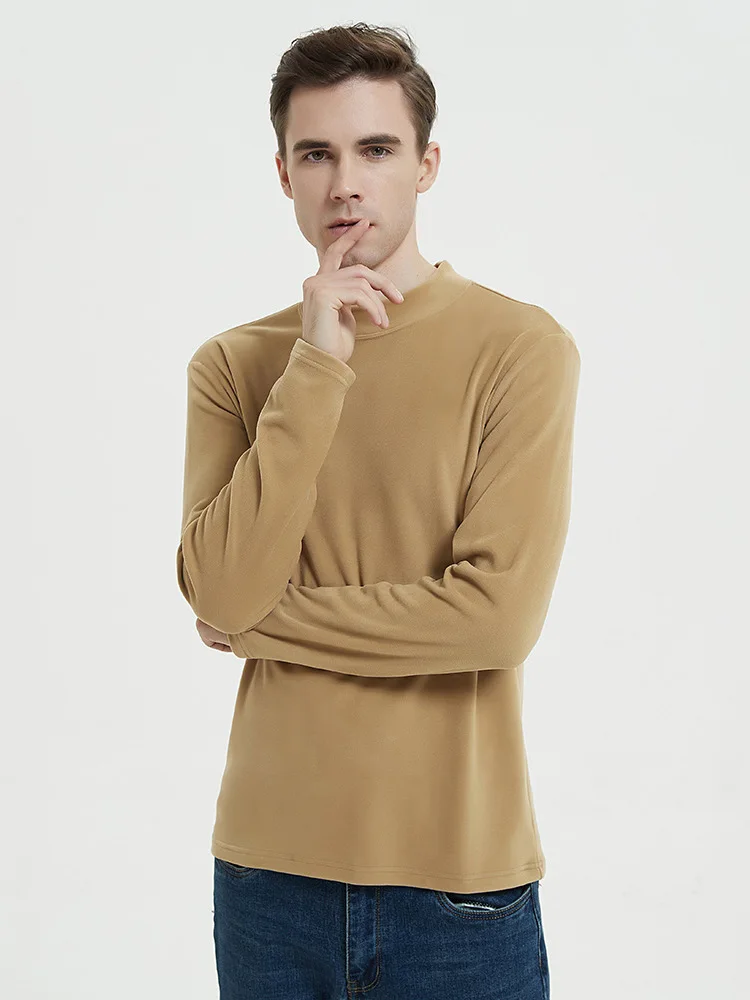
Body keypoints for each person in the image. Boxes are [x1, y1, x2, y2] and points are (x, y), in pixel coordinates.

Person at [176, 21, 581, 1000]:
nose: (345, 184)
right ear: (284, 174)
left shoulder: (520, 351)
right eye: (317, 154)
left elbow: (494, 619)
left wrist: (260, 622)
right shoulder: (235, 365)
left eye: (376, 149)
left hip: (458, 888)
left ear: (426, 165)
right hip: (268, 879)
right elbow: (221, 584)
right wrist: (316, 364)